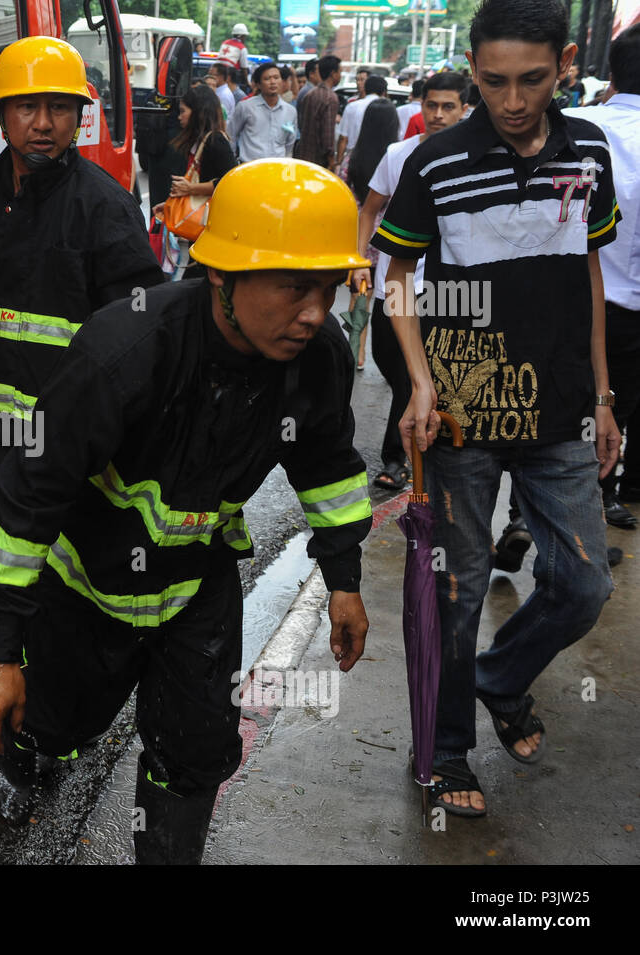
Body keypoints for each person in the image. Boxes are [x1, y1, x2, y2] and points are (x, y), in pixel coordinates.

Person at [0, 159, 373, 863]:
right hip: (86, 583)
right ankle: (28, 756)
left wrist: (343, 576)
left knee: (193, 747)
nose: (315, 312)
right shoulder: (125, 350)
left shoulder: (318, 357)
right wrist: (0, 652)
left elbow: (328, 465)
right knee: (59, 721)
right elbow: (32, 494)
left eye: (329, 288)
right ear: (222, 274)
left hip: (195, 584)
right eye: (294, 288)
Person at [374, 0, 620, 818]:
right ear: (472, 69)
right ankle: (448, 754)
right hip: (461, 413)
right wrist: (417, 380)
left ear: (563, 69)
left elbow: (589, 269)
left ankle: (500, 677)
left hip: (561, 411)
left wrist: (606, 393)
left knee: (584, 582)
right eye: (493, 82)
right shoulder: (434, 160)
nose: (512, 101)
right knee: (460, 585)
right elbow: (398, 276)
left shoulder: (589, 150)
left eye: (532, 81)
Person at [0, 36, 163, 500]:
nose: (42, 124)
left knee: (69, 565)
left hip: (74, 440)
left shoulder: (106, 209)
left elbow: (137, 339)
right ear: (1, 116)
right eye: (26, 107)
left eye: (59, 107)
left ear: (79, 117)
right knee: (9, 552)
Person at [350, 71, 468, 492]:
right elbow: (369, 209)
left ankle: (397, 459)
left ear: (464, 109)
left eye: (447, 106)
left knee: (408, 375)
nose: (437, 115)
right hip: (393, 282)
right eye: (431, 105)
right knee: (389, 359)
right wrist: (360, 259)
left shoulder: (475, 158)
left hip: (443, 288)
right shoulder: (397, 154)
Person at [566, 23, 640, 529]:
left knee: (565, 411)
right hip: (630, 311)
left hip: (566, 299)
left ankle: (527, 513)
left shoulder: (571, 123)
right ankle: (596, 500)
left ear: (611, 72)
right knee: (614, 411)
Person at [153, 84, 234, 280]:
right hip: (202, 229)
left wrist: (190, 188)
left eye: (183, 111)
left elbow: (228, 183)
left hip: (212, 229)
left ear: (198, 112)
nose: (179, 117)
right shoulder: (202, 141)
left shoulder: (216, 142)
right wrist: (172, 205)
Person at [344, 99, 402, 370]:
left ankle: (356, 353)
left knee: (359, 299)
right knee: (391, 301)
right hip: (388, 240)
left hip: (359, 237)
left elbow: (344, 195)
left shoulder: (352, 158)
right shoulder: (397, 158)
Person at [228, 61, 299, 161]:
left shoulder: (290, 111)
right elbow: (231, 135)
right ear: (258, 84)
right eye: (267, 79)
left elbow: (289, 142)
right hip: (250, 168)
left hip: (277, 168)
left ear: (282, 82)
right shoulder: (246, 107)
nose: (272, 82)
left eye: (276, 78)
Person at [336, 74, 389, 174]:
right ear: (383, 92)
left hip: (353, 160)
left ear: (366, 88)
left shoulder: (352, 106)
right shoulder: (388, 110)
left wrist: (338, 163)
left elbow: (343, 138)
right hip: (378, 163)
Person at [295, 55, 342, 168]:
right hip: (319, 161)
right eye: (340, 72)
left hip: (304, 155)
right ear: (332, 73)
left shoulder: (310, 94)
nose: (340, 76)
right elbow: (327, 135)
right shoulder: (330, 98)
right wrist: (331, 161)